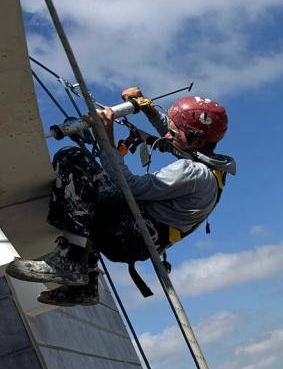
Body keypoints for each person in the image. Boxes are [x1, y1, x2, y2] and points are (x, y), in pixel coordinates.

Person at [6, 87, 234, 306]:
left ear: (199, 141)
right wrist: (148, 108)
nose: (166, 135)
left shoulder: (192, 172)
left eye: (173, 132)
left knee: (73, 159)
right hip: (137, 240)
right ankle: (85, 285)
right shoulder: (211, 167)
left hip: (130, 236)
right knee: (95, 196)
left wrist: (106, 139)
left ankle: (69, 260)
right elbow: (174, 136)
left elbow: (128, 186)